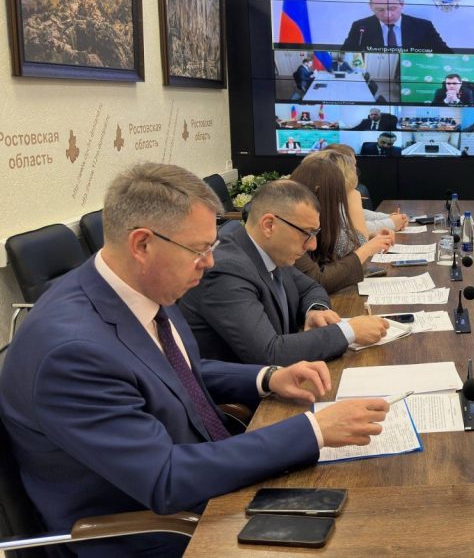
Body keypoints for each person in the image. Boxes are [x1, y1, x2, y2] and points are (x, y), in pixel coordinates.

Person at [0, 163, 389, 558]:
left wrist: (267, 377)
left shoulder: (140, 285)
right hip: (151, 531)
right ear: (142, 245)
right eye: (200, 251)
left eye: (212, 247)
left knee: (365, 507)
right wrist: (313, 430)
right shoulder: (72, 352)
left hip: (200, 480)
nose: (210, 263)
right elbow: (165, 478)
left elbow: (177, 369)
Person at [179, 179, 389, 365]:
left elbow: (311, 287)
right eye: (307, 233)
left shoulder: (271, 251)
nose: (313, 245)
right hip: (249, 393)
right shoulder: (226, 270)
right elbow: (270, 353)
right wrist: (349, 331)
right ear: (269, 225)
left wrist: (315, 311)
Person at [288, 153, 394, 293]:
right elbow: (317, 281)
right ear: (319, 192)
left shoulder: (316, 218)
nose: (339, 204)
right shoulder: (290, 226)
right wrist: (366, 249)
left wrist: (371, 236)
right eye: (338, 197)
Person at [340, 0, 451, 53]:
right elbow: (345, 54)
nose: (387, 15)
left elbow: (446, 54)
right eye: (380, 10)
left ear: (401, 4)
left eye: (392, 8)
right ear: (371, 7)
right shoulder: (361, 27)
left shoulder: (423, 26)